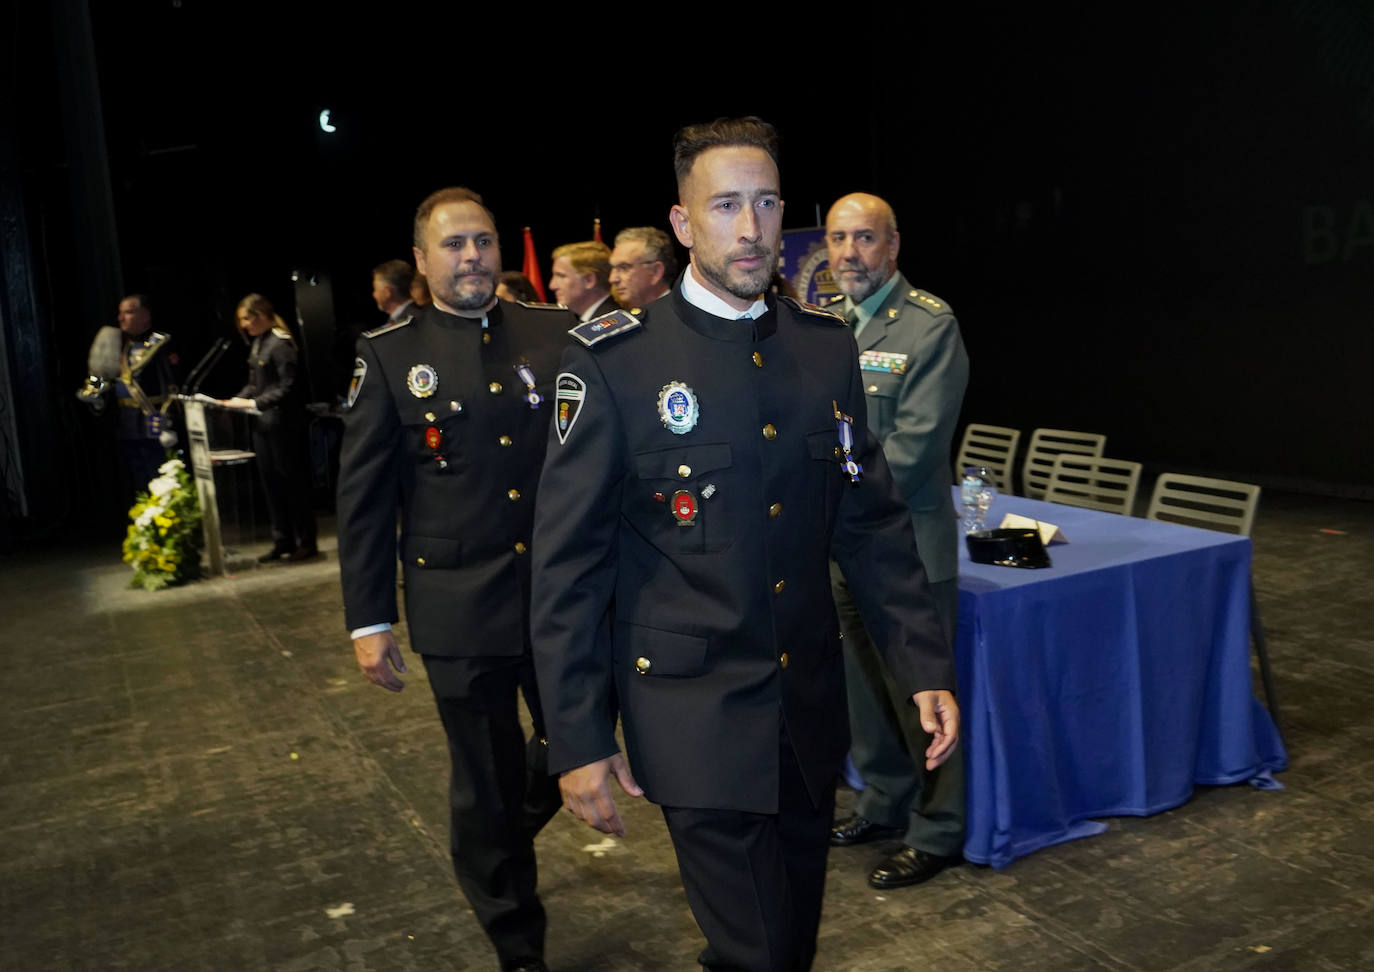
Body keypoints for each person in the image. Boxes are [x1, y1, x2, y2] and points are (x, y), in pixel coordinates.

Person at [530, 118, 960, 972]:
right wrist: (576, 738)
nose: (752, 226)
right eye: (726, 205)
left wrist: (923, 665)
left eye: (766, 202)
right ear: (685, 224)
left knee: (785, 943)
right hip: (691, 721)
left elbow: (868, 523)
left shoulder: (822, 347)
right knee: (763, 950)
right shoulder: (615, 362)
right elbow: (568, 567)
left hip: (804, 719)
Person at [335, 187, 573, 972]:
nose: (471, 256)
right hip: (458, 607)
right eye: (454, 245)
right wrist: (368, 621)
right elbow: (365, 501)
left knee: (584, 739)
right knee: (487, 782)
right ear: (422, 262)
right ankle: (519, 948)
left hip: (557, 597)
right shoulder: (390, 353)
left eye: (482, 241)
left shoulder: (557, 332)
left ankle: (496, 840)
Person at [823, 192, 971, 888]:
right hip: (841, 547)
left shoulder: (929, 327)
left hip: (908, 551)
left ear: (893, 245)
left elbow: (913, 446)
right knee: (864, 693)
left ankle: (938, 830)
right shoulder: (822, 326)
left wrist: (825, 492)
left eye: (865, 239)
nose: (849, 253)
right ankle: (882, 802)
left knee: (922, 698)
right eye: (838, 238)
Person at [223, 294, 318, 563]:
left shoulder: (279, 343)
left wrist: (254, 402)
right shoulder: (259, 344)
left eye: (246, 318)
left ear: (261, 315)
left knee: (293, 484)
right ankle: (282, 539)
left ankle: (306, 540)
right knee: (272, 485)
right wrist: (234, 401)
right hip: (262, 425)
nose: (243, 325)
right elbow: (256, 383)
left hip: (283, 425)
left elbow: (288, 386)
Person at [76, 294, 179, 495]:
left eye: (128, 312)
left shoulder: (159, 344)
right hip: (127, 424)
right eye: (120, 313)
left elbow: (173, 386)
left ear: (145, 316)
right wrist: (93, 393)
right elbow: (104, 376)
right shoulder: (118, 345)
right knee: (138, 483)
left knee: (161, 480)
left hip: (154, 423)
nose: (121, 318)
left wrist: (169, 418)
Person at [608, 226, 676, 309]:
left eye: (624, 268)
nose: (612, 279)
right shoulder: (622, 319)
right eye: (613, 268)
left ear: (656, 272)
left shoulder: (682, 317)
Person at [548, 240, 618, 320]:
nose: (552, 286)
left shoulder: (609, 322)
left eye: (561, 276)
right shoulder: (597, 319)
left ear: (589, 280)